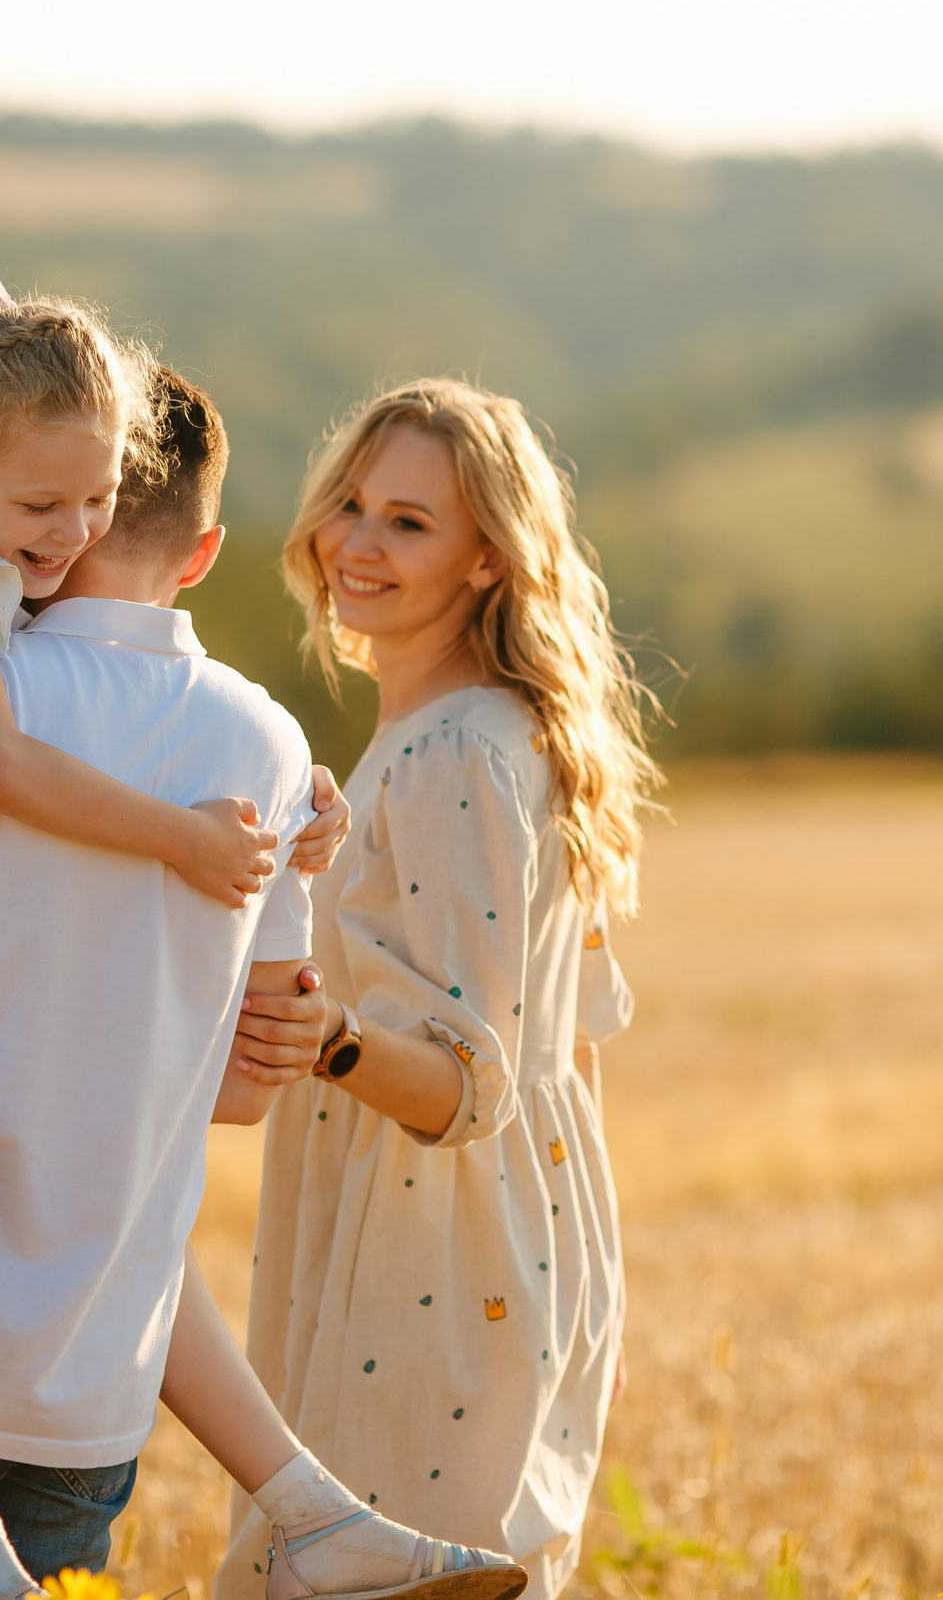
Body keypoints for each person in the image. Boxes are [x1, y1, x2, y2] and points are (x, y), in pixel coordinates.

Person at [0, 361, 525, 1600]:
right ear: (200, 554)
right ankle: (313, 1509)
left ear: (48, 517)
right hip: (85, 1391)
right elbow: (242, 1090)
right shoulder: (273, 744)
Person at [216, 380, 659, 1600]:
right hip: (525, 1248)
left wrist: (331, 1040)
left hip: (435, 1256)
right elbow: (572, 1057)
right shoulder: (512, 731)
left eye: (409, 523)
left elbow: (475, 1080)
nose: (357, 542)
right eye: (351, 505)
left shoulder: (453, 754)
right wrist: (581, 1289)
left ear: (484, 559)